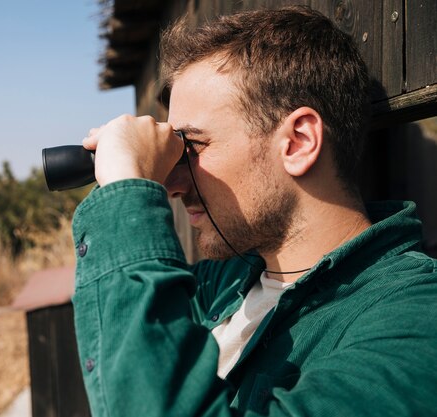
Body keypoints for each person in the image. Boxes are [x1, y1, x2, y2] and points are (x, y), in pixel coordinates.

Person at [71, 6, 437, 416]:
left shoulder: (415, 320)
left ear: (297, 142)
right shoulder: (225, 282)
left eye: (191, 147)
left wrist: (127, 188)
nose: (171, 184)